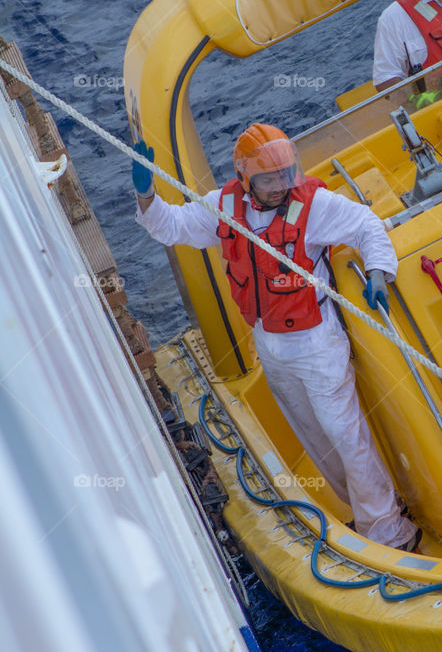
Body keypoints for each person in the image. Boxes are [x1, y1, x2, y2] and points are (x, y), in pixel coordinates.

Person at [133, 123, 419, 550]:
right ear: (246, 178)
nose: (280, 185)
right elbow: (171, 226)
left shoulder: (314, 206)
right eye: (269, 179)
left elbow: (366, 226)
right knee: (315, 438)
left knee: (345, 434)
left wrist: (378, 270)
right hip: (269, 343)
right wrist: (146, 194)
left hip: (317, 342)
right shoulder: (224, 206)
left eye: (286, 174)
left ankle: (389, 529)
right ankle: (365, 515)